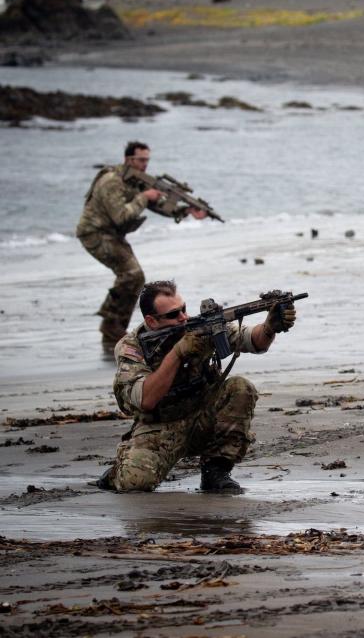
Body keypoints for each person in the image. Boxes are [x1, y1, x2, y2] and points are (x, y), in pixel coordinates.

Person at [97, 280, 296, 493]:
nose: (183, 318)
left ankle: (215, 473)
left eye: (183, 309)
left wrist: (269, 328)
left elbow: (251, 340)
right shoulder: (131, 347)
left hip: (204, 416)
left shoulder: (198, 328)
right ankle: (117, 471)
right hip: (160, 426)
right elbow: (145, 399)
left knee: (240, 387)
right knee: (135, 483)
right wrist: (178, 353)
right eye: (173, 315)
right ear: (151, 321)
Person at [76, 142, 208, 352]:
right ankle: (111, 326)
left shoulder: (136, 179)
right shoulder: (111, 181)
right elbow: (121, 216)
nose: (145, 164)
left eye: (147, 160)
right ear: (129, 160)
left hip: (112, 234)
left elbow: (158, 205)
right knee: (132, 275)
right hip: (95, 233)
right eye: (141, 160)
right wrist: (144, 197)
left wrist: (186, 211)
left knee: (133, 276)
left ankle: (113, 325)